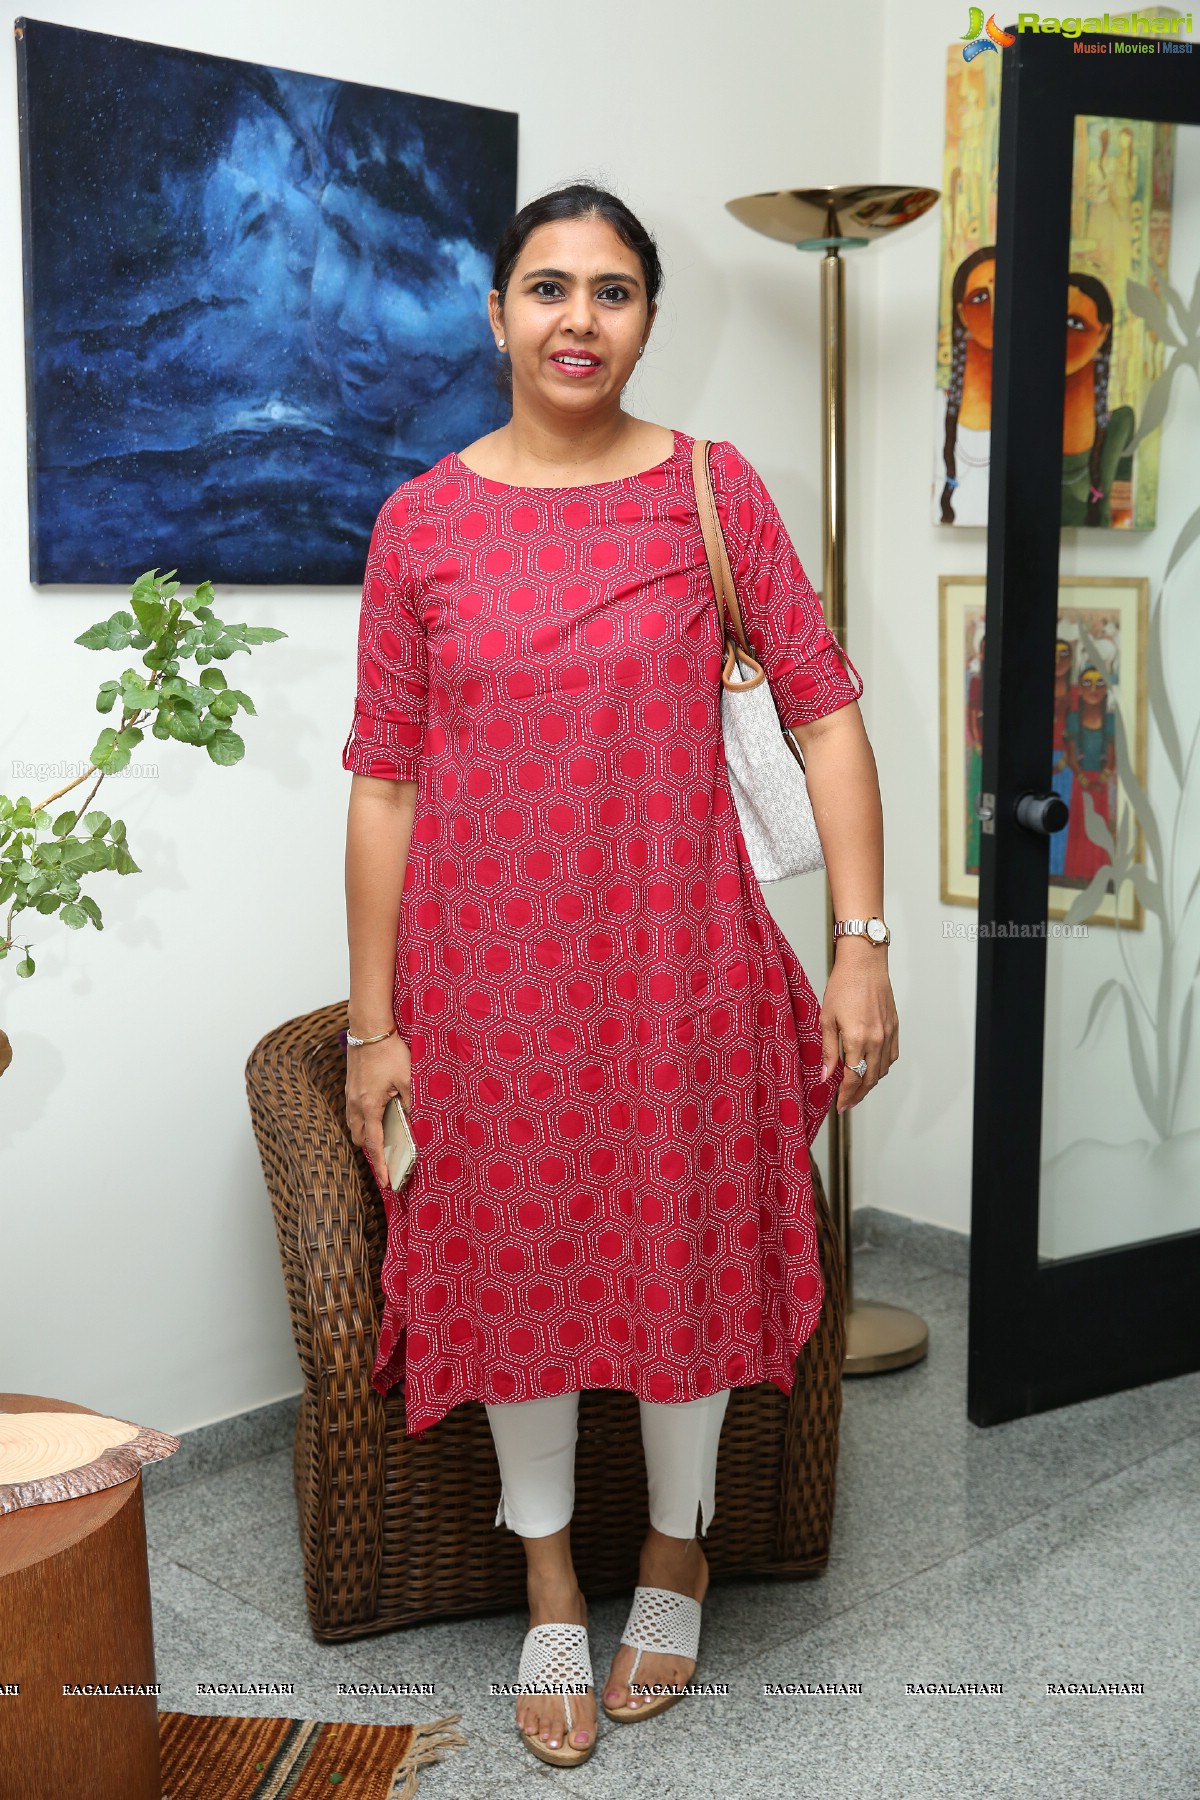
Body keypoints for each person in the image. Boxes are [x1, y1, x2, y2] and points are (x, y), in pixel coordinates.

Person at [341, 181, 899, 1769]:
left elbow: (826, 713)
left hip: (681, 970)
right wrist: (377, 1027)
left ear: (649, 317)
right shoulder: (421, 524)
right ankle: (547, 1587)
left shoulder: (712, 494)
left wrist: (860, 945)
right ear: (496, 313)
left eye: (613, 291)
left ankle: (673, 1552)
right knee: (510, 1283)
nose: (578, 318)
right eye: (546, 287)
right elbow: (382, 781)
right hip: (485, 990)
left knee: (685, 1269)